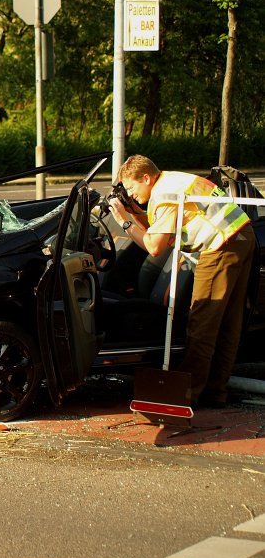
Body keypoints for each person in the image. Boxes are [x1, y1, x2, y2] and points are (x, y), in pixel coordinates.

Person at [109, 154, 255, 408]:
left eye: (131, 188)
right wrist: (133, 212)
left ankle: (188, 394)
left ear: (146, 178)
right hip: (242, 235)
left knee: (202, 322)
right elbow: (159, 229)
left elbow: (154, 247)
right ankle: (215, 391)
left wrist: (123, 220)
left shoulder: (164, 195)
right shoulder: (171, 182)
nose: (130, 194)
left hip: (221, 245)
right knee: (229, 322)